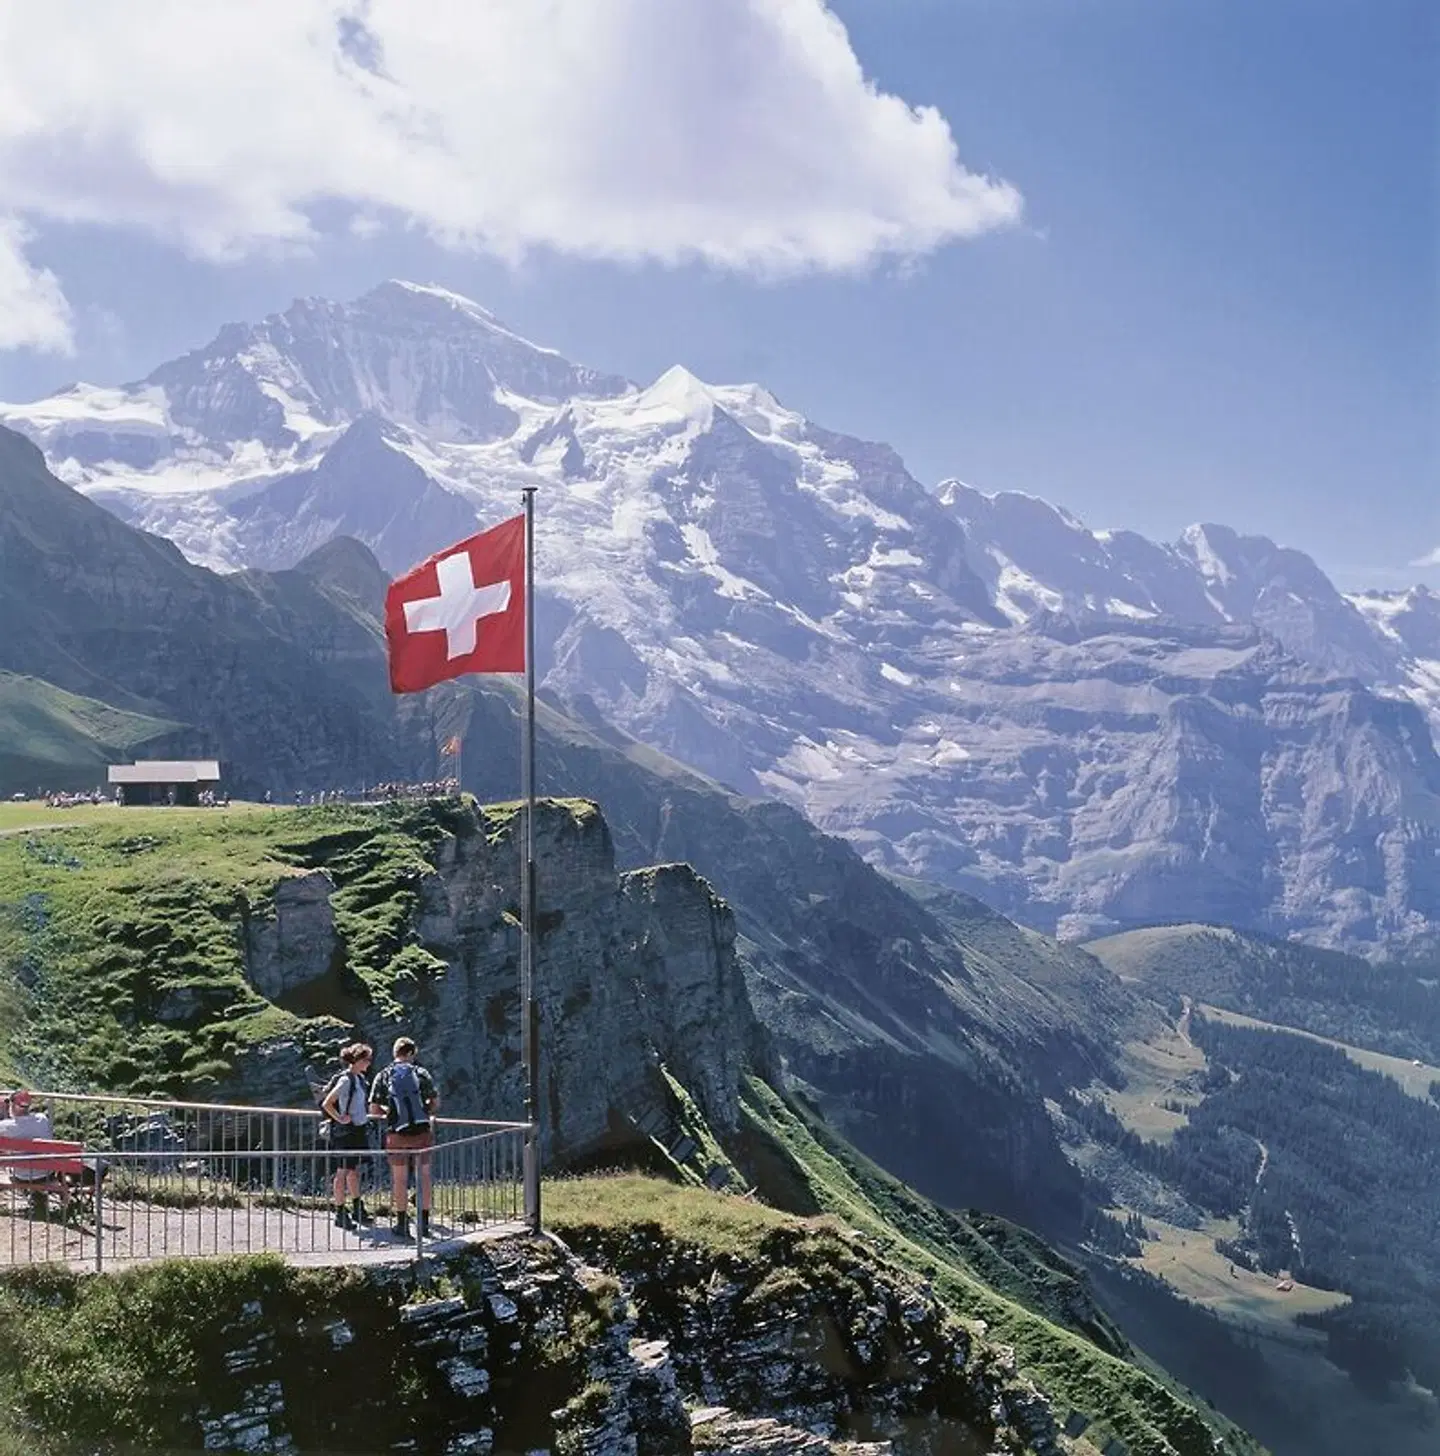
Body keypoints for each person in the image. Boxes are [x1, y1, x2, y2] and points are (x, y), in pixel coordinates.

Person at [368, 1037, 439, 1240]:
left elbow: (373, 1109)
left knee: (399, 1179)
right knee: (423, 1177)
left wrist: (391, 1114)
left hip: (396, 1134)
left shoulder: (384, 1075)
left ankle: (402, 1224)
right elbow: (435, 1102)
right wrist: (424, 1113)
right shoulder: (421, 1073)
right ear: (411, 1053)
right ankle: (424, 1225)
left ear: (395, 1053)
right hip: (422, 1133)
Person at [321, 1043, 374, 1232]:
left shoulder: (359, 1078)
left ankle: (357, 1207)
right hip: (345, 1132)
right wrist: (340, 1118)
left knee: (353, 1170)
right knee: (342, 1171)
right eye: (366, 1059)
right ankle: (340, 1212)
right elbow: (327, 1103)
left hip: (357, 1130)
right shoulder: (346, 1080)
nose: (369, 1063)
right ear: (357, 1060)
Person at [0, 1090, 57, 1217]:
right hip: (46, 1174)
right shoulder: (42, 1119)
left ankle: (35, 1199)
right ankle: (38, 1200)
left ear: (12, 1105)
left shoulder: (4, 1126)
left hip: (22, 1176)